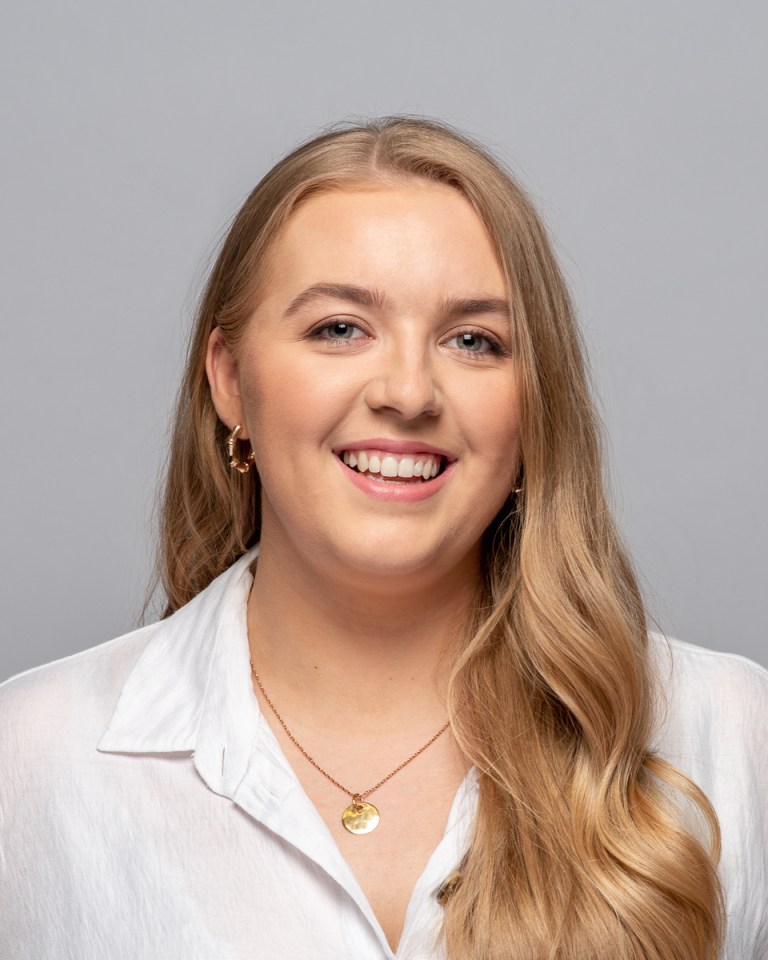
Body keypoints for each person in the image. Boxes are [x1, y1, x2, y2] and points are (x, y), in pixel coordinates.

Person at [0, 117, 766, 960]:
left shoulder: (734, 732)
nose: (408, 391)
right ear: (229, 381)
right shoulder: (29, 759)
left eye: (474, 341)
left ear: (533, 402)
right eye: (339, 328)